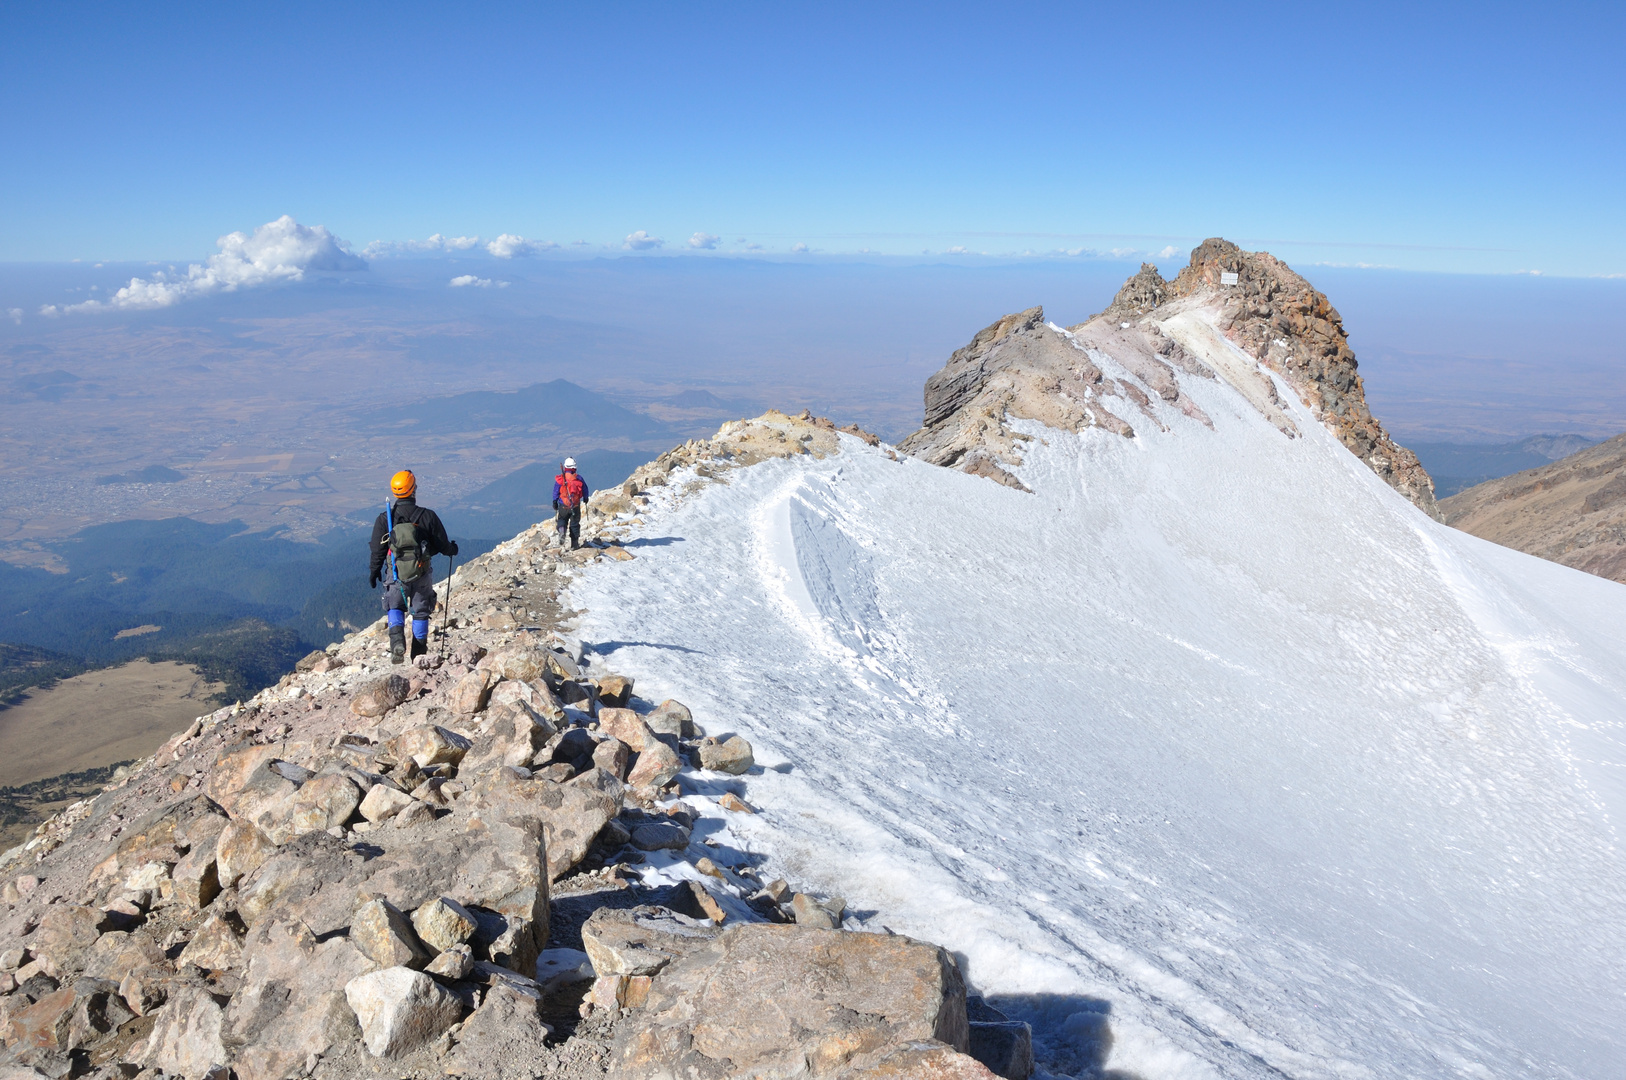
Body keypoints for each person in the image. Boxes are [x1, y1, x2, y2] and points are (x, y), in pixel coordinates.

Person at [369, 470, 458, 664]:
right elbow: (443, 546)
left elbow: (377, 550)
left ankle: (397, 643)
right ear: (413, 489)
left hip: (395, 573)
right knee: (420, 611)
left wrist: (374, 571)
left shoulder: (385, 519)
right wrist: (453, 549)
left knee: (395, 606)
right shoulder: (428, 516)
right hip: (421, 572)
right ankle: (418, 656)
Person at [552, 457, 590, 550]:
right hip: (575, 506)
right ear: (574, 468)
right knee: (574, 524)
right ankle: (574, 544)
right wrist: (585, 499)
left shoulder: (561, 479)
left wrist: (554, 502)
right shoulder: (578, 478)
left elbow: (556, 491)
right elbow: (585, 489)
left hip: (563, 505)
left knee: (562, 520)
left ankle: (562, 531)